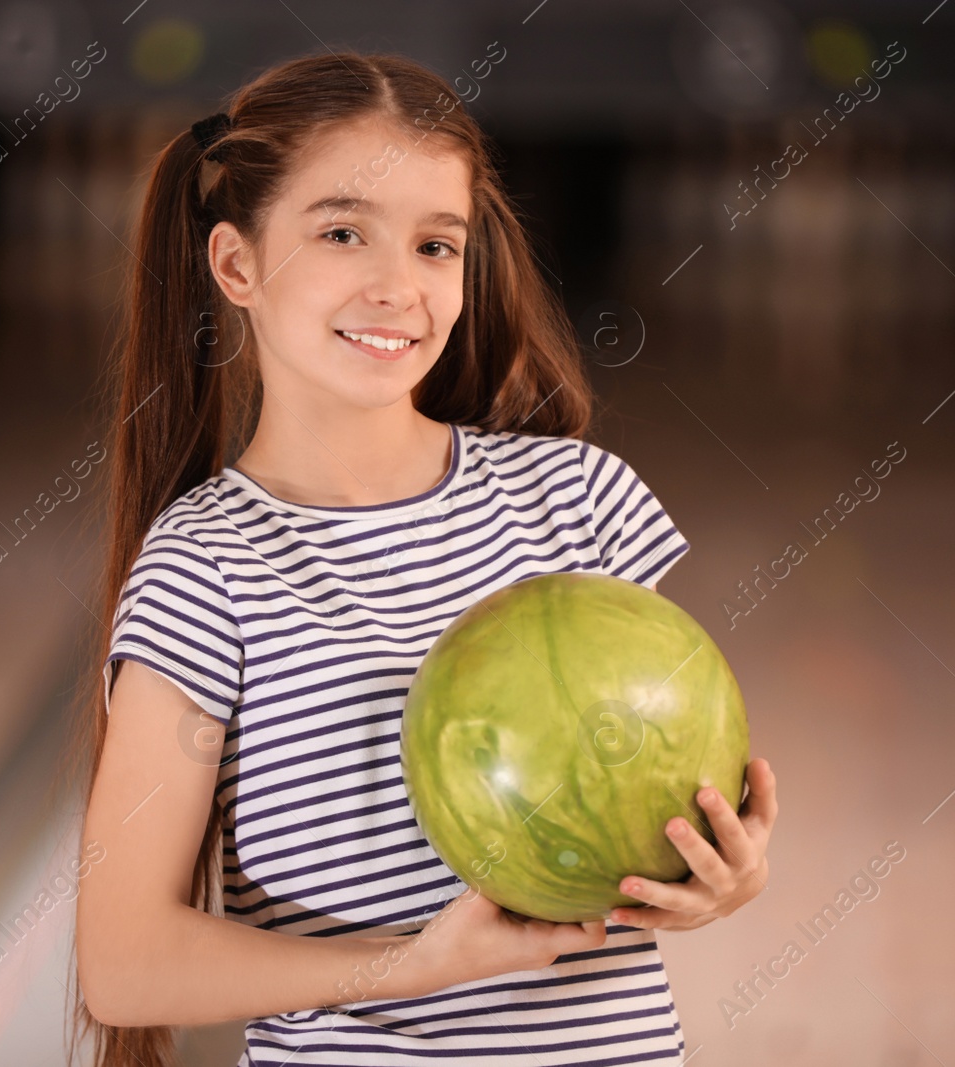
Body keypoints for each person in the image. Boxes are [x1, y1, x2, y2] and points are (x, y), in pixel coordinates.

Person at [69, 49, 778, 1067]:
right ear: (235, 264)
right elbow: (123, 962)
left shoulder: (577, 500)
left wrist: (724, 874)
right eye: (342, 232)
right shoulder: (206, 567)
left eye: (435, 245)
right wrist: (416, 962)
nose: (396, 285)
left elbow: (670, 791)